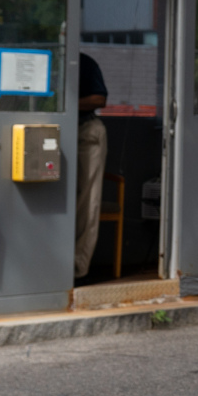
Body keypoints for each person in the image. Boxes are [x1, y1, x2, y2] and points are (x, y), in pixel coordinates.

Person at [74, 52, 109, 280]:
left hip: (85, 130)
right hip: (54, 129)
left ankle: (77, 269)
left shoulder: (83, 62)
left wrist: (66, 103)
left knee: (87, 200)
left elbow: (99, 99)